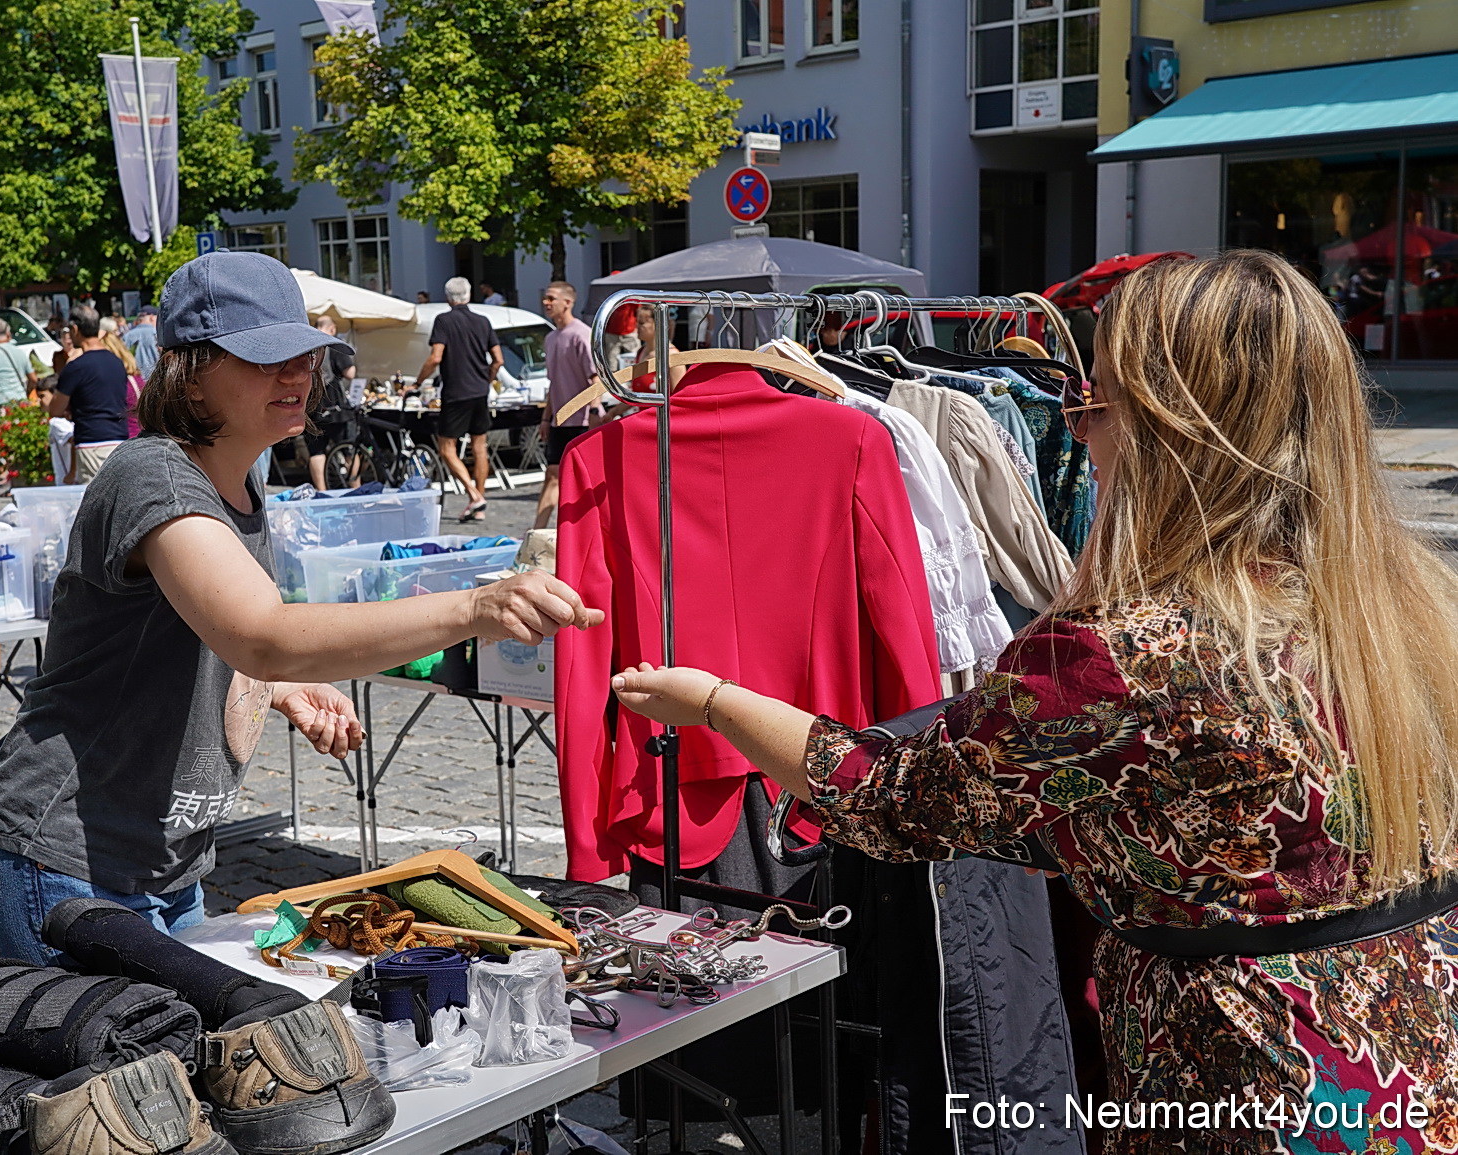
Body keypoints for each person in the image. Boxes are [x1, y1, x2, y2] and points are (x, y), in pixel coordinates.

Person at [610, 250, 1458, 1151]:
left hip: (1248, 1085)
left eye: (1095, 406)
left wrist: (714, 700)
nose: (1080, 435)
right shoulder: (1405, 603)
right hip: (1417, 1054)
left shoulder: (1119, 656)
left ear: (1166, 432)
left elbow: (886, 796)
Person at [0, 250, 600, 960]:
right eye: (267, 358)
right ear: (190, 374)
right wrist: (475, 607)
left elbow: (206, 633)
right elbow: (261, 634)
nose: (298, 375)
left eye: (305, 356)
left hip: (164, 864)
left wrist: (279, 685)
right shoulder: (156, 477)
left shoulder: (237, 480)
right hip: (64, 864)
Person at [416, 277, 501, 522]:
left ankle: (474, 495)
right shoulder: (483, 321)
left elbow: (435, 357)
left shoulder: (444, 320)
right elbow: (498, 359)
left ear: (448, 298)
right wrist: (487, 379)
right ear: (469, 295)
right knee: (480, 447)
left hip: (456, 391)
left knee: (446, 448)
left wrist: (417, 383)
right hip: (479, 391)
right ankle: (479, 506)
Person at [533, 281, 598, 530]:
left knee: (584, 482)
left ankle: (584, 532)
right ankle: (536, 532)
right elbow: (554, 383)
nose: (546, 303)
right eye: (545, 298)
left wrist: (594, 411)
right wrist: (546, 418)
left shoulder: (582, 334)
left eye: (551, 298)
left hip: (582, 420)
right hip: (560, 420)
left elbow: (596, 378)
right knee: (552, 475)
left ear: (568, 302)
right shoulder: (551, 338)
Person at [49, 304, 128, 483]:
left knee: (95, 496)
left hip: (91, 441)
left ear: (75, 329)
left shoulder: (76, 367)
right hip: (120, 440)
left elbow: (55, 409)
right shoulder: (116, 362)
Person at [304, 315, 356, 490]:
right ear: (332, 329)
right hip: (335, 406)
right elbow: (350, 373)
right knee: (348, 449)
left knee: (316, 451)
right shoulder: (333, 345)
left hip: (312, 405)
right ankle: (356, 489)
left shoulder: (308, 345)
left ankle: (321, 492)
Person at [0, 315, 37, 414]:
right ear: (8, 334)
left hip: (0, 404)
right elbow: (33, 379)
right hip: (21, 402)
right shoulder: (20, 352)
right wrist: (27, 392)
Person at [124, 304, 159, 378]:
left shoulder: (127, 336)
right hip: (155, 379)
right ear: (152, 317)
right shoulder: (157, 333)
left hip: (135, 380)